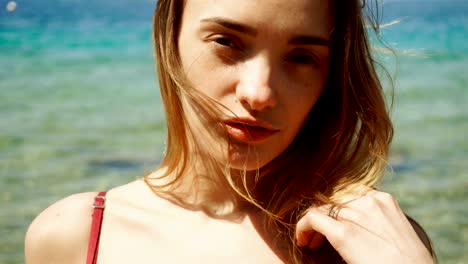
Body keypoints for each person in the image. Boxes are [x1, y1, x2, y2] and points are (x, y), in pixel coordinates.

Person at [25, 0, 436, 263]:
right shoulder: (74, 236)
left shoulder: (365, 242)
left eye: (302, 57)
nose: (258, 94)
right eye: (228, 41)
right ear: (170, 38)